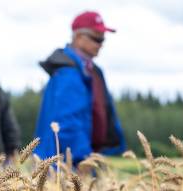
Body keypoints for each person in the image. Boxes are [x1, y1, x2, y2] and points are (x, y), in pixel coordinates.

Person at [34, 11, 126, 165]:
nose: (101, 44)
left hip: (85, 156)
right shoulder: (68, 73)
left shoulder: (92, 71)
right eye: (96, 38)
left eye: (103, 39)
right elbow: (67, 122)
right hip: (67, 164)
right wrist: (83, 159)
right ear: (78, 37)